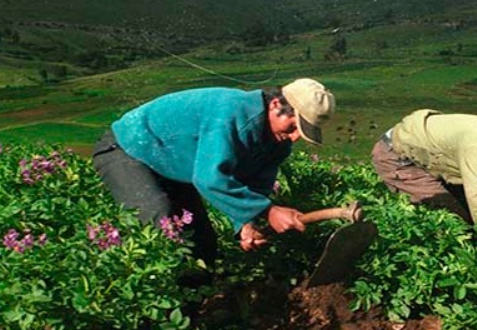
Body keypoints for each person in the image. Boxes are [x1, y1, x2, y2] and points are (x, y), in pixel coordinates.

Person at [92, 79, 335, 267]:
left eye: (300, 133)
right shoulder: (232, 114)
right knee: (161, 226)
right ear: (275, 105)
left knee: (202, 243)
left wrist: (246, 223)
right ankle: (148, 317)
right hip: (128, 150)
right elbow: (210, 178)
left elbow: (256, 184)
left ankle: (194, 315)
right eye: (293, 126)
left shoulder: (277, 142)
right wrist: (268, 211)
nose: (293, 137)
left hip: (173, 166)